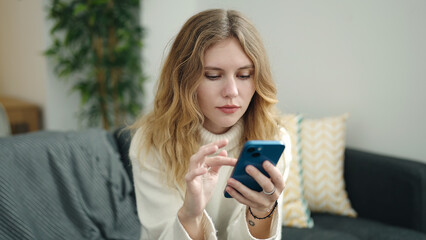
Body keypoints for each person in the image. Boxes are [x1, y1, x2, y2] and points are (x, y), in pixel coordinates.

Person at [129, 9, 292, 240]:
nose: (232, 92)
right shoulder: (151, 142)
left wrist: (262, 211)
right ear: (184, 80)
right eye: (213, 76)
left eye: (244, 75)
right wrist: (190, 215)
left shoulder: (275, 138)